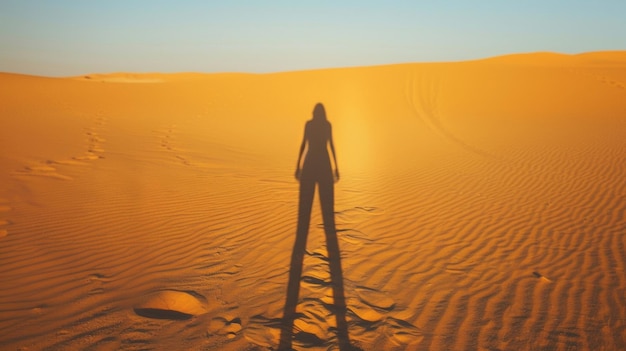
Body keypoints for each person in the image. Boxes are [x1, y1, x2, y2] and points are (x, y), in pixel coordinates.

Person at [280, 103, 352, 350]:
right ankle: (327, 242)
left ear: (313, 112)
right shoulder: (325, 125)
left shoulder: (309, 124)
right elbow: (331, 146)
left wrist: (298, 164)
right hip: (321, 164)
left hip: (311, 163)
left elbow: (303, 144)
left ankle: (303, 242)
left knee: (306, 209)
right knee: (325, 209)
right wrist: (336, 166)